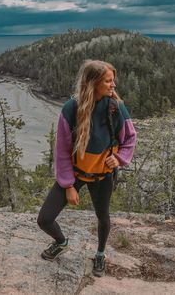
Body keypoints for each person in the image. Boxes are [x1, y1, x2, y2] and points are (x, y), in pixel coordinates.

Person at [37, 59, 137, 277]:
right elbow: (62, 150)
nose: (114, 85)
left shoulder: (116, 107)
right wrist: (68, 185)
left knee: (103, 217)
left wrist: (119, 159)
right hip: (76, 174)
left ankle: (100, 254)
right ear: (93, 83)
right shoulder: (71, 109)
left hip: (102, 176)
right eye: (108, 81)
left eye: (113, 80)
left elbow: (130, 137)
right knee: (44, 219)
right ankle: (62, 242)